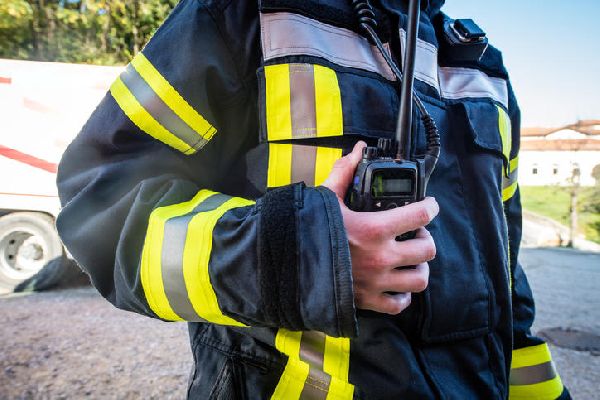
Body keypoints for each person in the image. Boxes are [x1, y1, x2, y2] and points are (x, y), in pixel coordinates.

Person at [56, 0, 571, 398]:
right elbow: (100, 207)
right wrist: (301, 259)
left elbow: (507, 282)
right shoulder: (241, 15)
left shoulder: (484, 67)